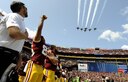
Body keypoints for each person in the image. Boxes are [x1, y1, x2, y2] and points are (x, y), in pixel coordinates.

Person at [0, 1, 28, 81]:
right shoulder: (14, 16)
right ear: (22, 8)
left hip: (10, 54)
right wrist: (25, 36)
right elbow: (14, 33)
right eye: (26, 8)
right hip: (4, 54)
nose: (26, 10)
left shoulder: (19, 19)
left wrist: (19, 57)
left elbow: (16, 42)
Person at [23, 15, 47, 82]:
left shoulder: (43, 45)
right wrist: (42, 20)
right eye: (43, 37)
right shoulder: (37, 41)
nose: (44, 38)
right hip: (34, 64)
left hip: (41, 66)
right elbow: (39, 30)